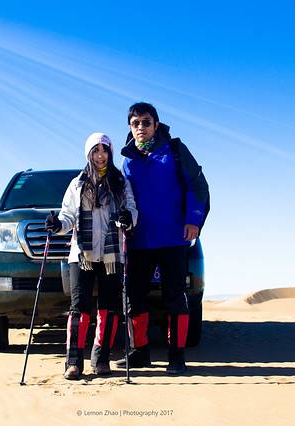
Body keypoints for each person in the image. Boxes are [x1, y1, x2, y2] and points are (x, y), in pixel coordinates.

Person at [118, 102, 209, 374]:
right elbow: (123, 197)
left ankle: (176, 356)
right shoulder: (127, 159)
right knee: (134, 296)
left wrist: (193, 220)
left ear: (156, 124)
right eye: (135, 123)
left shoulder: (175, 151)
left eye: (146, 122)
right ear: (130, 127)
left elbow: (197, 186)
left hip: (173, 238)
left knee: (175, 297)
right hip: (139, 240)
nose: (141, 127)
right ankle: (139, 352)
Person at [46, 132, 138, 380]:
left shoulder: (120, 182)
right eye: (95, 151)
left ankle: (101, 359)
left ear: (110, 152)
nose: (100, 155)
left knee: (109, 309)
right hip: (82, 254)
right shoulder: (77, 184)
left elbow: (131, 209)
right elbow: (68, 216)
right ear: (88, 154)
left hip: (112, 256)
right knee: (79, 308)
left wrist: (128, 218)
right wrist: (58, 225)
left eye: (104, 150)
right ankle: (74, 362)